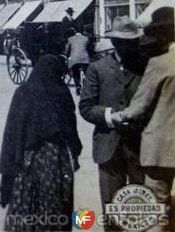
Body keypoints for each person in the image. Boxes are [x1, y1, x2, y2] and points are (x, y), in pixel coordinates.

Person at [0, 54, 82, 232]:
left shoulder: (24, 91)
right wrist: (75, 154)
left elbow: (11, 135)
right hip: (57, 160)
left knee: (26, 203)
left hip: (28, 160)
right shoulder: (62, 92)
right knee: (56, 204)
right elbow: (71, 130)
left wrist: (6, 177)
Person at [111, 7, 175, 232]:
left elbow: (139, 106)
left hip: (161, 149)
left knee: (158, 209)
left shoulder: (160, 63)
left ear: (164, 36)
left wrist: (119, 115)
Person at [79, 16, 145, 228]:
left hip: (139, 147)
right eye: (123, 42)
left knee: (140, 209)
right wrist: (109, 116)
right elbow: (86, 107)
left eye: (132, 41)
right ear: (115, 42)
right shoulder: (97, 69)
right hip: (108, 147)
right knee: (111, 210)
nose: (128, 46)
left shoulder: (145, 67)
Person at [65, 25, 91, 95]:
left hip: (74, 60)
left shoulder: (70, 39)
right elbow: (89, 48)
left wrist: (67, 57)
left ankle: (77, 87)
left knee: (75, 73)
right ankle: (88, 87)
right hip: (85, 59)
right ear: (83, 31)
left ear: (74, 31)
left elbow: (67, 50)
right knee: (87, 73)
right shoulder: (86, 38)